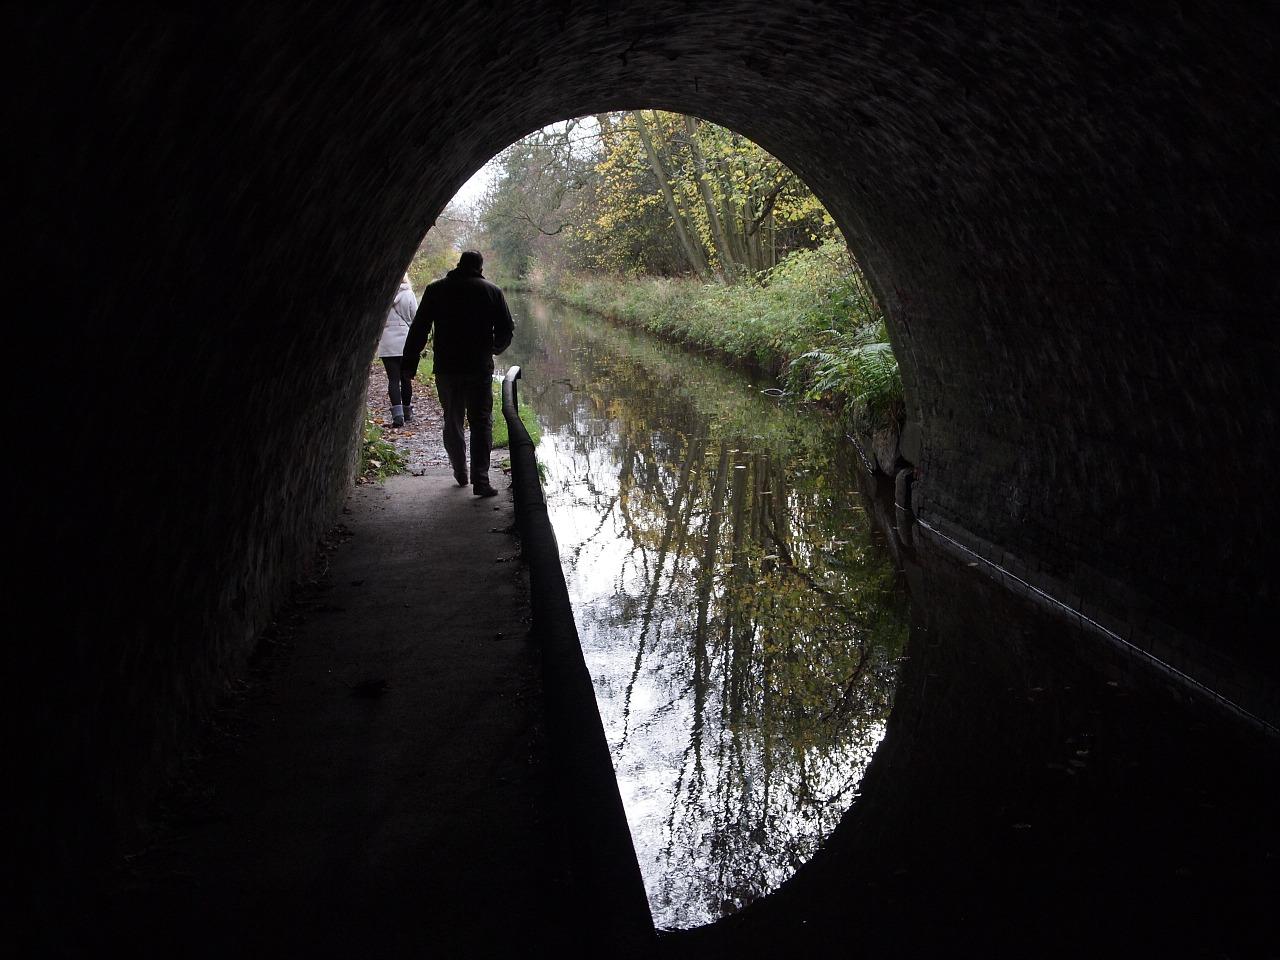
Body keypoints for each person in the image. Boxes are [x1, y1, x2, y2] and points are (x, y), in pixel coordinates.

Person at [403, 250, 514, 498]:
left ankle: (460, 470)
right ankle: (481, 480)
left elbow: (419, 328)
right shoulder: (491, 291)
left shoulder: (436, 290)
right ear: (480, 267)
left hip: (447, 367)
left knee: (452, 420)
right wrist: (493, 349)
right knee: (481, 422)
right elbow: (506, 329)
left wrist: (409, 363)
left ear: (458, 264)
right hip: (479, 368)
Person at [377, 273, 417, 427]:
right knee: (406, 378)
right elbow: (415, 317)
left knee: (393, 379)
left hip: (388, 341)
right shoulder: (409, 294)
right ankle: (407, 412)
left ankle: (397, 416)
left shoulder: (384, 294)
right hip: (405, 341)